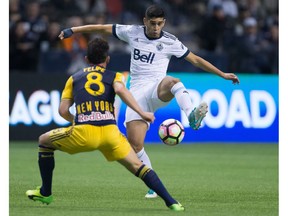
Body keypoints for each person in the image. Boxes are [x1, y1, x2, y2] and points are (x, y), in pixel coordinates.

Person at [59, 4, 240, 198]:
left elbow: (195, 59)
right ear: (145, 21)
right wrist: (73, 31)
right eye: (152, 23)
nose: (156, 27)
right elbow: (103, 28)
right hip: (136, 97)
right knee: (135, 146)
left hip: (156, 89)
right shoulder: (132, 32)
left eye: (160, 24)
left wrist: (222, 74)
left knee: (173, 81)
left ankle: (192, 116)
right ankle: (153, 185)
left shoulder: (171, 41)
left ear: (164, 23)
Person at [25, 38, 184, 211]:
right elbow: (121, 91)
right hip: (110, 133)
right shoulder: (115, 76)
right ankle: (171, 201)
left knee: (44, 141)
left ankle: (45, 193)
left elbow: (63, 111)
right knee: (139, 167)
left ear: (86, 59)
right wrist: (142, 113)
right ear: (107, 59)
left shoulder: (74, 78)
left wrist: (77, 120)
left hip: (84, 134)